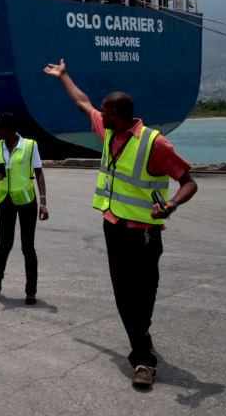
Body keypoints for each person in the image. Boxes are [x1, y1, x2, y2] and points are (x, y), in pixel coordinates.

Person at [45, 58, 198, 388]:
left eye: (105, 110)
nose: (99, 114)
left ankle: (141, 337)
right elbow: (83, 103)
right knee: (125, 293)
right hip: (113, 226)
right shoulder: (110, 130)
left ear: (117, 114)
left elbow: (189, 182)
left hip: (143, 232)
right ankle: (143, 358)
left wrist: (170, 204)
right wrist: (64, 77)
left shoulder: (155, 143)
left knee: (143, 292)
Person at [0, 112, 48, 305]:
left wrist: (43, 202)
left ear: (8, 129)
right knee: (5, 243)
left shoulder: (30, 146)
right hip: (4, 200)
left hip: (26, 201)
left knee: (27, 246)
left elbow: (38, 172)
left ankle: (31, 291)